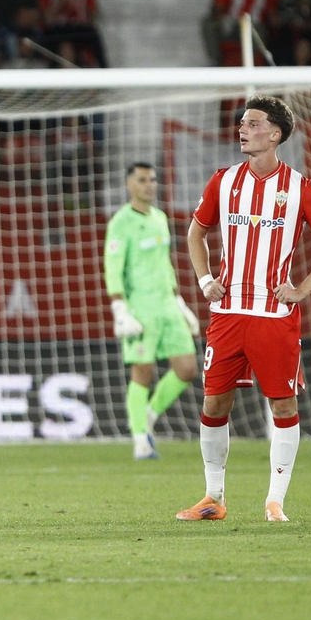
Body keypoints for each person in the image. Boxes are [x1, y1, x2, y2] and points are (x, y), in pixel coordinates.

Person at [178, 97, 311, 523]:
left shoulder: (299, 188)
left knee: (283, 407)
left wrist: (303, 288)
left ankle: (275, 501)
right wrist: (204, 281)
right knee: (215, 404)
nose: (242, 129)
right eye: (241, 123)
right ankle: (213, 498)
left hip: (274, 316)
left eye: (252, 123)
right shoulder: (224, 181)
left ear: (275, 134)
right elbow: (196, 233)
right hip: (229, 313)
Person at [104, 162, 203, 460]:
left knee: (187, 368)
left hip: (167, 305)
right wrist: (120, 308)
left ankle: (147, 415)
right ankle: (140, 441)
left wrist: (180, 302)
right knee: (142, 372)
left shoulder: (160, 218)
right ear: (129, 185)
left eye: (153, 179)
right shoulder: (120, 222)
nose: (149, 184)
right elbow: (113, 268)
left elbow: (165, 264)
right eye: (142, 180)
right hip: (140, 308)